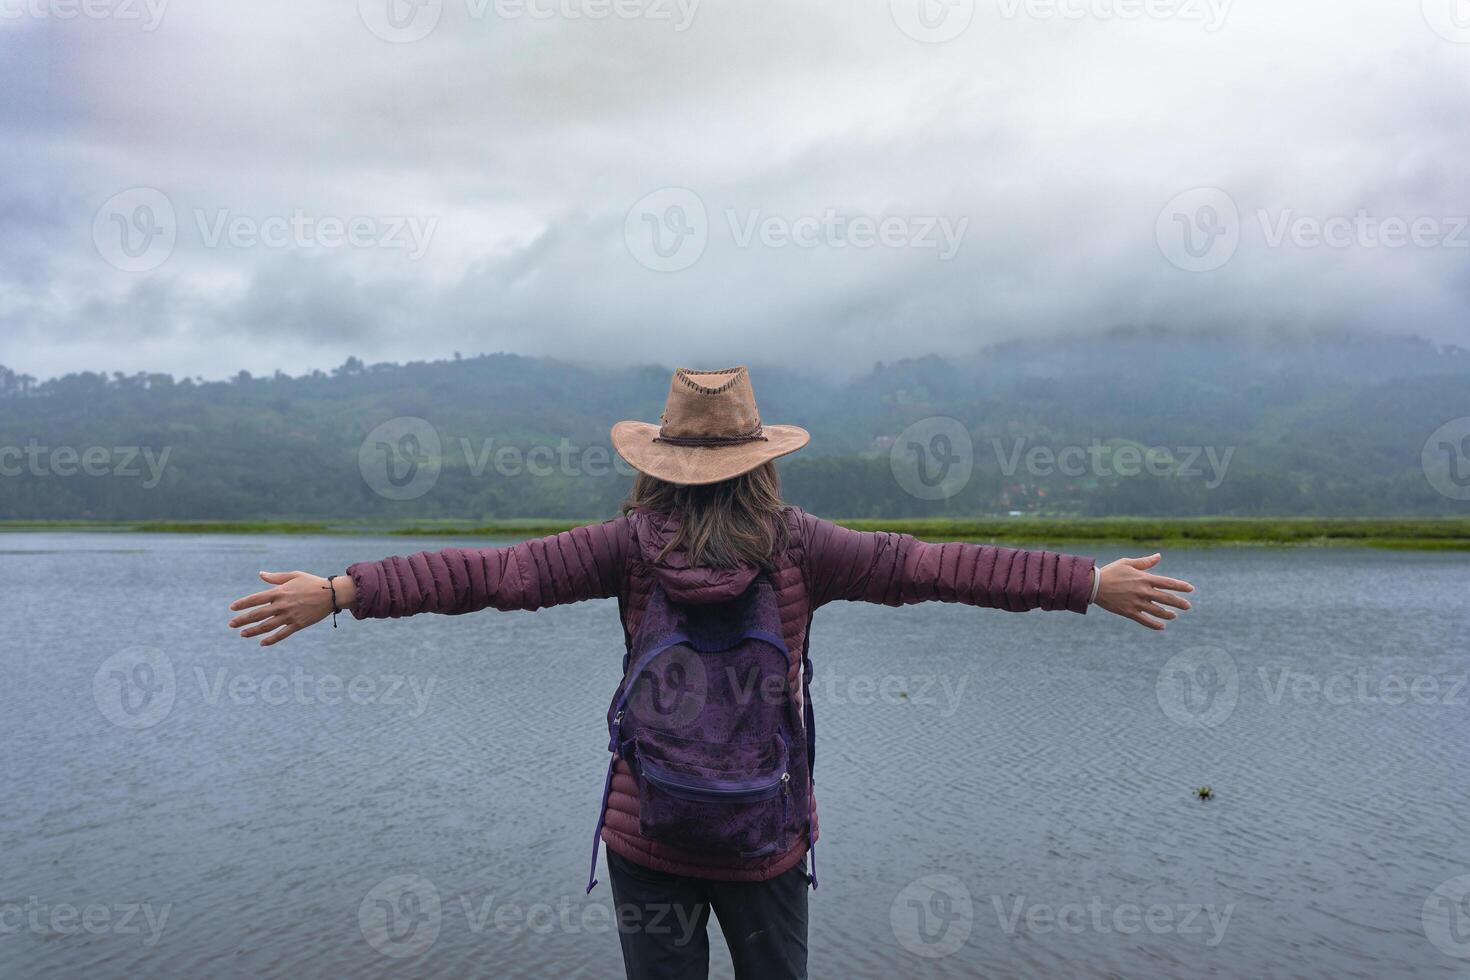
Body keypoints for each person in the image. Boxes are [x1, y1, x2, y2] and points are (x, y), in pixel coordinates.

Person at [228, 366, 1194, 980]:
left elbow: (490, 574)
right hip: (764, 833)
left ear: (658, 463)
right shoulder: (804, 546)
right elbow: (937, 568)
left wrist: (344, 589)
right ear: (761, 462)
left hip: (646, 828)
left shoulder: (624, 546)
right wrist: (1085, 583)